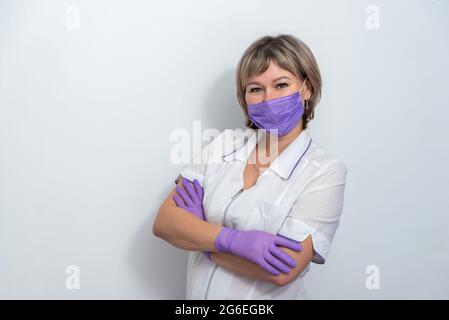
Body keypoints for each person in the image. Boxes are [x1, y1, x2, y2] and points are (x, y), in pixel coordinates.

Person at [153, 34, 348, 299]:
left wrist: (203, 239)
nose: (268, 98)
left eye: (281, 84)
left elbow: (282, 270)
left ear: (307, 88)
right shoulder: (222, 145)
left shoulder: (325, 171)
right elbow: (165, 223)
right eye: (255, 89)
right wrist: (234, 242)